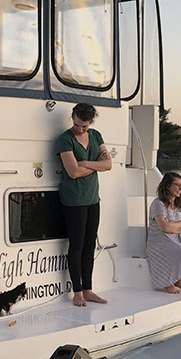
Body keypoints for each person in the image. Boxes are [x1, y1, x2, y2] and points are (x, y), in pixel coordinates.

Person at [56, 103, 112, 308]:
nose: (81, 130)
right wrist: (96, 164)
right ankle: (77, 292)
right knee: (76, 246)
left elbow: (109, 165)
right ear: (73, 117)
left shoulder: (96, 136)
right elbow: (72, 172)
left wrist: (87, 163)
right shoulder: (65, 139)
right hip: (73, 200)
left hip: (92, 199)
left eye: (85, 127)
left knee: (89, 245)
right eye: (78, 125)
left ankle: (88, 289)